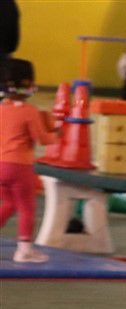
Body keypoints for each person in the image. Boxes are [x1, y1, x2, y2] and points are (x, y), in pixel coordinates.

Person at [0, 57, 56, 263]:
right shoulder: (29, 111)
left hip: (1, 164)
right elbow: (41, 138)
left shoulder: (1, 108)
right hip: (19, 166)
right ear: (28, 85)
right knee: (26, 207)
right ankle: (24, 250)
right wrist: (58, 132)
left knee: (9, 203)